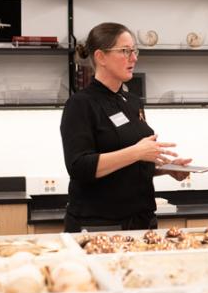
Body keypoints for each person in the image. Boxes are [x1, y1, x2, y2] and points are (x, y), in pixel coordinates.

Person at [60, 22, 191, 232]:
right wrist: (137, 152)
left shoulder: (132, 101)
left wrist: (167, 169)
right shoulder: (80, 104)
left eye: (134, 51)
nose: (134, 57)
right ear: (100, 57)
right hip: (100, 225)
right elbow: (79, 167)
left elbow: (131, 164)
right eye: (125, 51)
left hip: (143, 221)